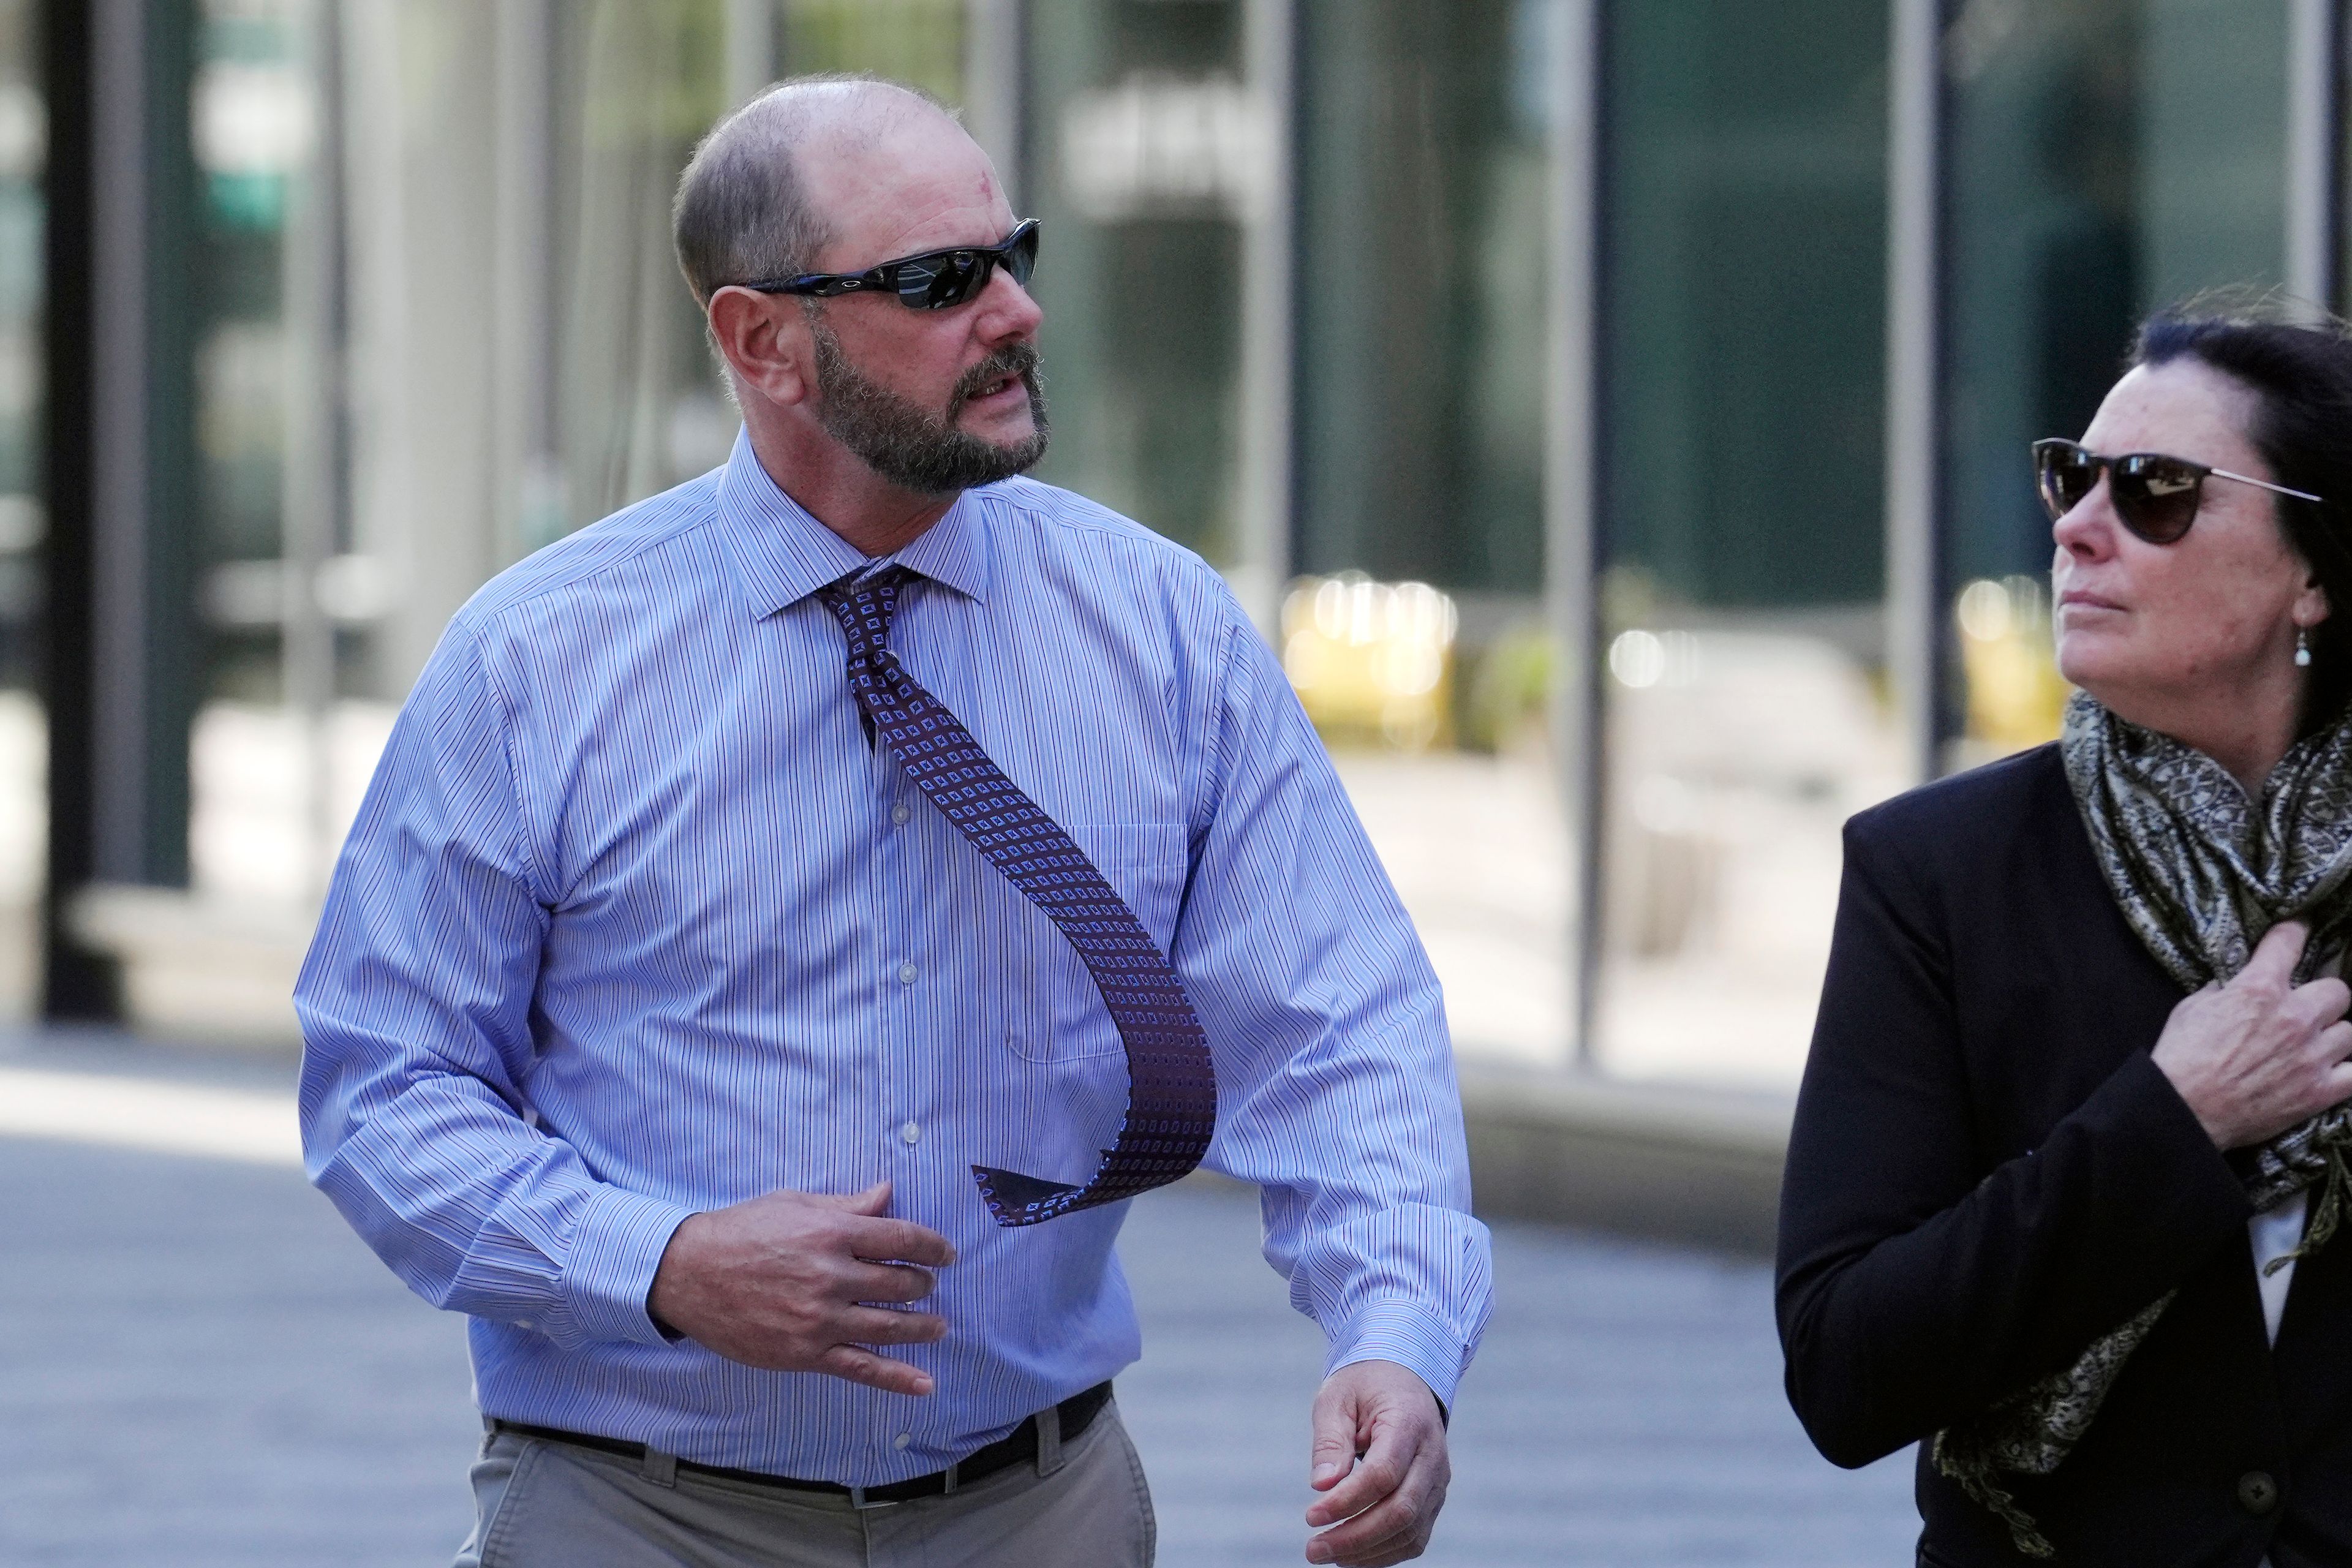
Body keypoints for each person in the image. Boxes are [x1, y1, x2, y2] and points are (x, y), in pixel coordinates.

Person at [295, 75, 1488, 1568]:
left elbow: (1340, 1014)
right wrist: (660, 1261)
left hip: (1040, 1510)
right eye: (938, 280)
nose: (1014, 311)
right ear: (762, 341)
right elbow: (382, 1084)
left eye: (1012, 253)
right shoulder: (538, 659)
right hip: (634, 1513)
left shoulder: (1162, 630)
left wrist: (1395, 1325)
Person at [1777, 304, 2352, 1566]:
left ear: (2315, 569)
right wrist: (2170, 1117)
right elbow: (1845, 1362)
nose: (2078, 524)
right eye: (2068, 475)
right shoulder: (1937, 873)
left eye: (2156, 491)